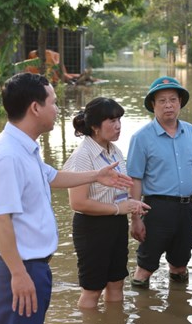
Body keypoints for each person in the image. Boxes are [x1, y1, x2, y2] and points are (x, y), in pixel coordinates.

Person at [0, 73, 133, 324]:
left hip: (28, 268)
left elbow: (54, 176)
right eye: (53, 102)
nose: (58, 109)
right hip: (19, 270)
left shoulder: (25, 149)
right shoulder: (6, 156)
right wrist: (19, 274)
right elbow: (0, 220)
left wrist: (96, 175)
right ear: (35, 108)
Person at [63, 97, 150, 309]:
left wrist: (132, 206)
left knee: (116, 283)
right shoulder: (83, 156)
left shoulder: (115, 151)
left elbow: (118, 191)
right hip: (92, 228)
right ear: (94, 126)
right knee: (92, 289)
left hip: (116, 223)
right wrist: (117, 209)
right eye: (111, 120)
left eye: (119, 119)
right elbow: (78, 203)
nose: (118, 125)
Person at [128, 76, 192, 287]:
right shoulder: (141, 138)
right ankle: (142, 314)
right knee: (145, 267)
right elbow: (135, 180)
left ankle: (179, 310)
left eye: (173, 100)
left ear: (180, 103)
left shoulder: (191, 132)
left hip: (187, 209)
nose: (168, 105)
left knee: (180, 264)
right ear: (153, 105)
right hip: (156, 209)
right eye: (162, 101)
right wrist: (136, 218)